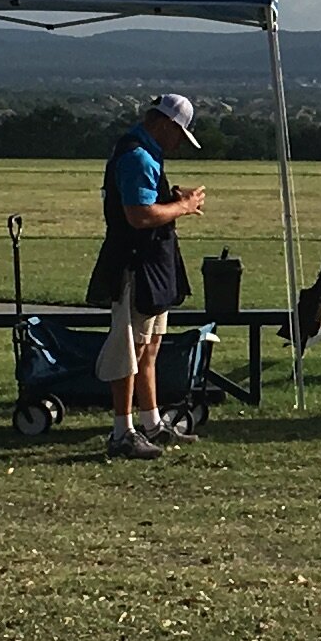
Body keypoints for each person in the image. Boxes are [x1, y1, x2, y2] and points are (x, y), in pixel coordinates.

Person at [86, 92, 209, 459]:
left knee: (150, 345)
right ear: (165, 124)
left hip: (153, 264)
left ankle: (152, 424)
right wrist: (183, 207)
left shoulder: (144, 152)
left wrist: (171, 196)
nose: (177, 144)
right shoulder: (138, 156)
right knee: (131, 348)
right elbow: (138, 215)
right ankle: (122, 431)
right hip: (136, 263)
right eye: (178, 135)